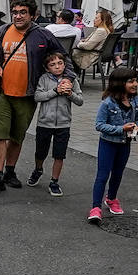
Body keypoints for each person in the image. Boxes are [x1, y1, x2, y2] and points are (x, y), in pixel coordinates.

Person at [0, 0, 63, 194]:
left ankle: (9, 171)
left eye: (23, 12)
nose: (18, 16)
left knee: (17, 136)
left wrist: (66, 78)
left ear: (33, 15)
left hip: (28, 94)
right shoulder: (0, 32)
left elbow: (63, 59)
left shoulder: (43, 36)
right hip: (0, 92)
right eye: (15, 12)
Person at [88, 66, 138, 225]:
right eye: (131, 81)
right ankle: (95, 207)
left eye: (135, 80)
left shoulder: (136, 101)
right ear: (119, 83)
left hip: (125, 144)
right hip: (108, 144)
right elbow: (99, 125)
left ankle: (111, 199)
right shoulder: (108, 103)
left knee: (118, 173)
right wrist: (121, 129)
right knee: (103, 175)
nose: (135, 84)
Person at [29, 51, 83, 196]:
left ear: (65, 65)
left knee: (59, 154)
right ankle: (38, 169)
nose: (57, 67)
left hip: (63, 124)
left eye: (60, 63)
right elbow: (38, 96)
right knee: (41, 152)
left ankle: (54, 181)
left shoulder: (72, 80)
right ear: (47, 68)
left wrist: (70, 93)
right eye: (53, 65)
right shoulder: (44, 79)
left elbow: (80, 101)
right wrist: (55, 91)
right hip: (45, 123)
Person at [72, 9, 114, 74]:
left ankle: (73, 77)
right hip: (96, 53)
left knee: (69, 54)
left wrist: (78, 43)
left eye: (96, 18)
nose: (94, 20)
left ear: (103, 20)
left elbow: (87, 46)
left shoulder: (101, 31)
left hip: (91, 55)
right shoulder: (104, 30)